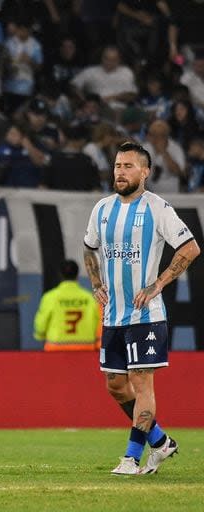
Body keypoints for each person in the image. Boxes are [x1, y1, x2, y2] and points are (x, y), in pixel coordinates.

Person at [83, 141, 200, 475]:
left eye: (129, 166)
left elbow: (190, 248)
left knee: (141, 381)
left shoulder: (157, 208)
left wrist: (158, 284)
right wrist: (95, 283)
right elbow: (89, 248)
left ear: (145, 172)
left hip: (146, 315)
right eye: (118, 166)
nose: (121, 172)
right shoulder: (102, 209)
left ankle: (131, 458)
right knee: (115, 386)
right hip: (113, 315)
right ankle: (161, 442)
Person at [33, 259, 101, 351]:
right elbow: (99, 324)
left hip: (55, 350)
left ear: (60, 275)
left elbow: (41, 324)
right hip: (85, 350)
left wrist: (39, 335)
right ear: (77, 275)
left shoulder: (50, 297)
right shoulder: (90, 298)